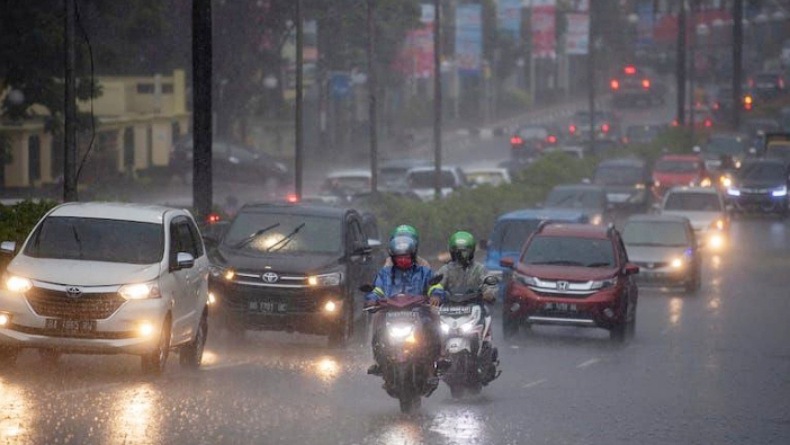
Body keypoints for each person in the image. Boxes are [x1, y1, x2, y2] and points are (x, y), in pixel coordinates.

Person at [365, 234, 445, 376]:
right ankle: (378, 361)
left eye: (406, 257)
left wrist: (435, 295)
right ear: (393, 257)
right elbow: (377, 289)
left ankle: (440, 357)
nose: (402, 260)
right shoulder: (385, 273)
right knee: (378, 325)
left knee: (433, 325)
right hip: (391, 313)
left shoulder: (424, 272)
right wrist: (372, 299)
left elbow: (434, 286)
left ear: (413, 256)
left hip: (419, 312)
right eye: (399, 257)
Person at [436, 231, 499, 381]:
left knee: (485, 325)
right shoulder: (446, 270)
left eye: (465, 251)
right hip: (450, 309)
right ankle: (437, 360)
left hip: (474, 308)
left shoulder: (479, 269)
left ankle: (484, 357)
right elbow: (436, 284)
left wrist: (488, 293)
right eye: (458, 252)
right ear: (452, 252)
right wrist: (433, 294)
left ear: (471, 251)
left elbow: (489, 284)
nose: (461, 255)